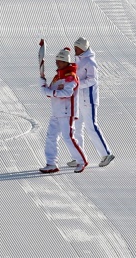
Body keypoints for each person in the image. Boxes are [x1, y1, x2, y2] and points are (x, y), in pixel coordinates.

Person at [67, 37, 115, 168]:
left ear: (83, 48)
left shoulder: (90, 62)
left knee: (91, 126)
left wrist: (77, 84)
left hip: (89, 100)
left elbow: (92, 80)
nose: (75, 50)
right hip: (79, 100)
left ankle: (106, 154)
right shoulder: (78, 59)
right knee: (76, 128)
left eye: (77, 48)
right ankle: (79, 157)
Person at [39, 46, 87, 174]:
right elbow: (50, 92)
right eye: (56, 60)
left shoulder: (70, 76)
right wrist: (43, 84)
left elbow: (66, 93)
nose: (56, 63)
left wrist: (50, 91)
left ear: (65, 61)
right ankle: (51, 163)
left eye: (59, 61)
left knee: (68, 137)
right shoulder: (57, 76)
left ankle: (81, 161)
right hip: (56, 112)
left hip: (67, 112)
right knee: (51, 137)